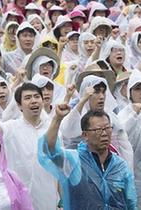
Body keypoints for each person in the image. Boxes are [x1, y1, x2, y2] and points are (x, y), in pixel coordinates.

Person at [38, 106, 137, 210]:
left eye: (107, 128)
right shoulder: (74, 161)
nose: (104, 134)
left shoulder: (120, 166)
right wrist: (57, 118)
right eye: (98, 130)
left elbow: (131, 202)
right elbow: (49, 151)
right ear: (85, 135)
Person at [0, 82, 60, 210]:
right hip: (17, 198)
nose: (33, 101)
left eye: (37, 97)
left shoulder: (52, 130)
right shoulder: (11, 127)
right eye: (27, 98)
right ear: (20, 106)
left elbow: (59, 165)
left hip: (47, 198)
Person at [118, 70, 141, 206]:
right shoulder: (123, 114)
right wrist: (134, 113)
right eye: (137, 89)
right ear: (130, 92)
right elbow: (122, 136)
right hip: (131, 179)